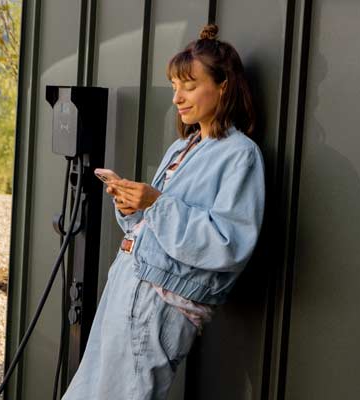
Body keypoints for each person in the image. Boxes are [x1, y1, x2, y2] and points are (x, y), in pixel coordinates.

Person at [61, 24, 265, 399]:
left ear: (224, 86)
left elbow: (229, 244)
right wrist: (131, 206)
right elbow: (154, 225)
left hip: (162, 299)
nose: (177, 98)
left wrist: (156, 203)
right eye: (174, 87)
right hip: (127, 280)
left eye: (188, 86)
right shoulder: (182, 147)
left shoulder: (239, 154)